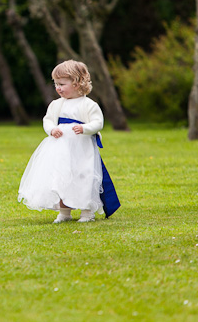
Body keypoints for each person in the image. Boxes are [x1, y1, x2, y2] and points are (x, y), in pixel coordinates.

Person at [17, 60, 120, 222]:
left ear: (77, 83)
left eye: (62, 84)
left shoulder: (88, 105)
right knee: (61, 178)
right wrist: (52, 129)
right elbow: (48, 120)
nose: (58, 88)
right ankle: (64, 212)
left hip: (82, 149)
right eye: (56, 84)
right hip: (60, 149)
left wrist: (85, 128)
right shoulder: (56, 105)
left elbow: (98, 123)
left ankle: (87, 212)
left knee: (84, 176)